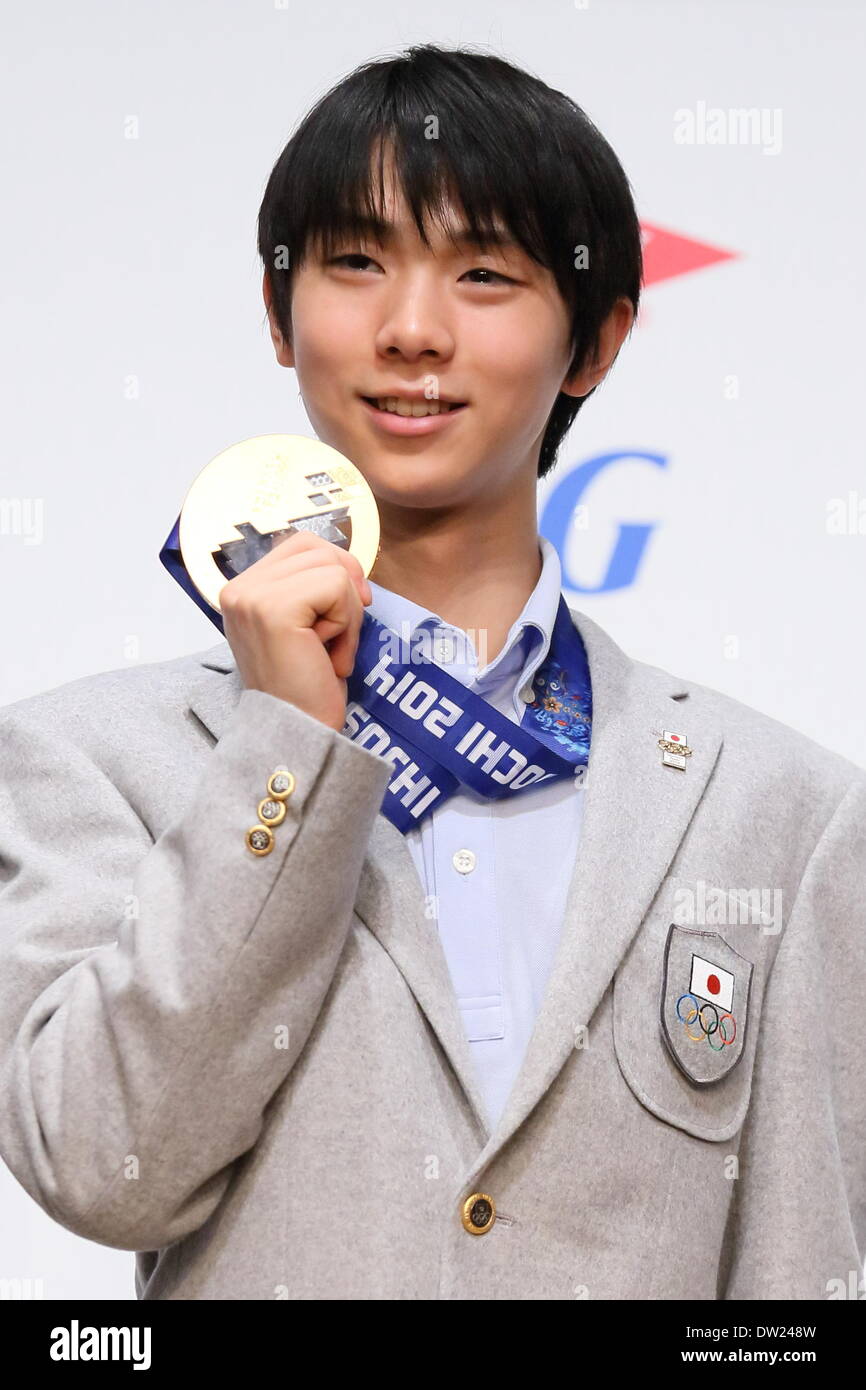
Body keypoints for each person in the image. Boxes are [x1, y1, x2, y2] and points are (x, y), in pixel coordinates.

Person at [0, 43, 864, 1302]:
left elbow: (803, 1286)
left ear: (596, 339)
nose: (411, 331)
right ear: (276, 308)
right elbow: (105, 1169)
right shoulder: (92, 759)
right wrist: (282, 751)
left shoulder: (779, 808)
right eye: (354, 263)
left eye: (482, 273)